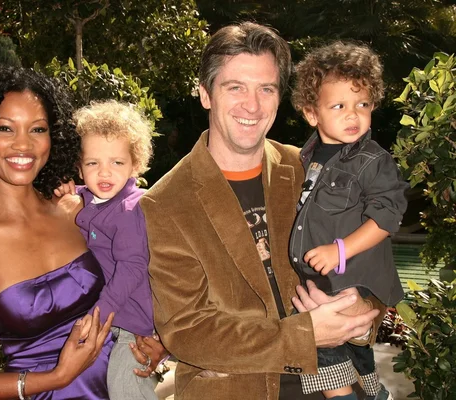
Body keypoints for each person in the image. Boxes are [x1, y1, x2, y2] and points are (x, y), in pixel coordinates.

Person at [139, 22, 382, 400]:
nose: (252, 106)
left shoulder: (313, 168)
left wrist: (362, 314)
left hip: (343, 382)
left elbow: (371, 265)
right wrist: (304, 336)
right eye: (235, 87)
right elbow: (186, 331)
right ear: (205, 94)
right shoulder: (166, 202)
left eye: (265, 89)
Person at [0, 66, 124, 400]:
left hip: (126, 388)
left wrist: (147, 338)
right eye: (5, 128)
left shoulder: (74, 211)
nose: (24, 144)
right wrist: (55, 377)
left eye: (38, 129)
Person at [289, 42, 408, 400]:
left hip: (352, 277)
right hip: (322, 276)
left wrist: (339, 250)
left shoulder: (372, 160)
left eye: (363, 105)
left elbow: (387, 216)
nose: (353, 115)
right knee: (355, 355)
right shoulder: (305, 157)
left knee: (321, 349)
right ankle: (376, 394)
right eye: (339, 106)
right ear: (312, 113)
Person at [54, 100, 162, 400]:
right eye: (93, 163)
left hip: (137, 327)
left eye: (117, 163)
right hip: (120, 318)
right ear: (80, 166)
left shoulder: (130, 209)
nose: (105, 173)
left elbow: (131, 268)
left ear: (135, 165)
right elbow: (85, 194)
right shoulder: (92, 197)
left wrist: (98, 316)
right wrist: (69, 190)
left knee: (125, 388)